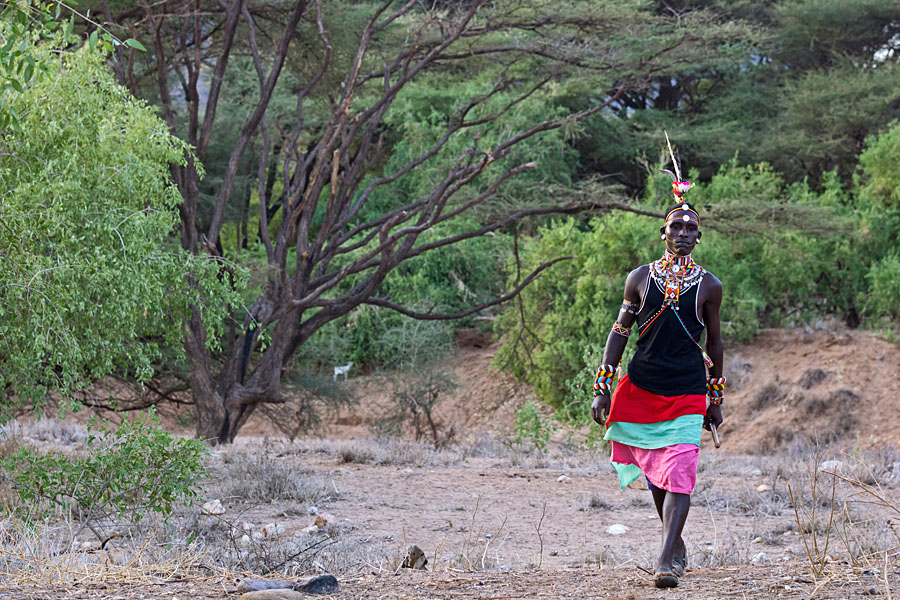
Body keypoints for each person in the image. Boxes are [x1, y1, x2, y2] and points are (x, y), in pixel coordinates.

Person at [590, 178, 725, 589]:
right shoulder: (639, 278)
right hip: (642, 387)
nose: (683, 233)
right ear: (662, 233)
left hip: (687, 390)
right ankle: (676, 543)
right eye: (675, 227)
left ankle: (664, 560)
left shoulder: (709, 286)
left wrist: (715, 399)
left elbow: (715, 343)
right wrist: (602, 386)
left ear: (699, 237)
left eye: (690, 229)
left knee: (679, 471)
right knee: (656, 472)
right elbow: (619, 332)